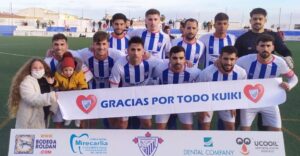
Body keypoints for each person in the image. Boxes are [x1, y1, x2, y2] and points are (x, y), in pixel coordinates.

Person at [234, 8, 294, 130]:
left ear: (265, 20)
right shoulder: (242, 39)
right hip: (246, 87)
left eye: (260, 19)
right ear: (250, 20)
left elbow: (283, 49)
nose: (257, 21)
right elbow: (235, 58)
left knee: (265, 124)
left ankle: (263, 147)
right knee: (241, 120)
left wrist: (288, 56)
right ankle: (240, 145)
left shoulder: (273, 36)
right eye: (255, 19)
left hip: (268, 88)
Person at [109, 36, 162, 129]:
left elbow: (167, 65)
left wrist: (185, 62)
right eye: (133, 49)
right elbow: (113, 87)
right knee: (122, 124)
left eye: (138, 50)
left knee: (147, 124)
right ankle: (121, 142)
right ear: (127, 51)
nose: (136, 53)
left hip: (143, 98)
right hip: (124, 97)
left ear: (143, 51)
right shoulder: (119, 65)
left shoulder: (151, 62)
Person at [199, 46, 247, 130]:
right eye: (225, 59)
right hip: (208, 100)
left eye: (232, 59)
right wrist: (202, 108)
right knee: (205, 125)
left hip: (227, 101)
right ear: (220, 58)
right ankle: (207, 143)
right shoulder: (207, 72)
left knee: (230, 127)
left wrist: (234, 104)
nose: (228, 62)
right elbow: (199, 89)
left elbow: (241, 90)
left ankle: (228, 143)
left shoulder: (241, 73)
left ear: (236, 59)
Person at [153, 46, 201, 130]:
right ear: (169, 59)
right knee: (159, 128)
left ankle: (186, 143)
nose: (178, 61)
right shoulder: (160, 68)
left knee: (188, 128)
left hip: (183, 103)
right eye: (174, 58)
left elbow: (204, 85)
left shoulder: (194, 72)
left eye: (181, 58)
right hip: (165, 102)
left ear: (185, 59)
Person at [8, 58, 57, 128]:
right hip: (28, 124)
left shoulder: (46, 80)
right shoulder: (25, 81)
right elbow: (32, 99)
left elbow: (52, 92)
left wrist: (53, 108)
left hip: (42, 120)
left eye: (40, 67)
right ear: (30, 69)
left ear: (44, 68)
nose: (38, 70)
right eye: (35, 68)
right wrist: (51, 97)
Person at [51, 52, 88, 128]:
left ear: (74, 69)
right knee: (67, 106)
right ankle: (69, 117)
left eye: (70, 70)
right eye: (66, 70)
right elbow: (57, 84)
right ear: (62, 69)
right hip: (65, 92)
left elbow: (83, 82)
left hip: (76, 92)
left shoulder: (79, 73)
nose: (68, 72)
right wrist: (54, 83)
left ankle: (78, 118)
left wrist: (83, 89)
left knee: (78, 107)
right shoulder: (58, 74)